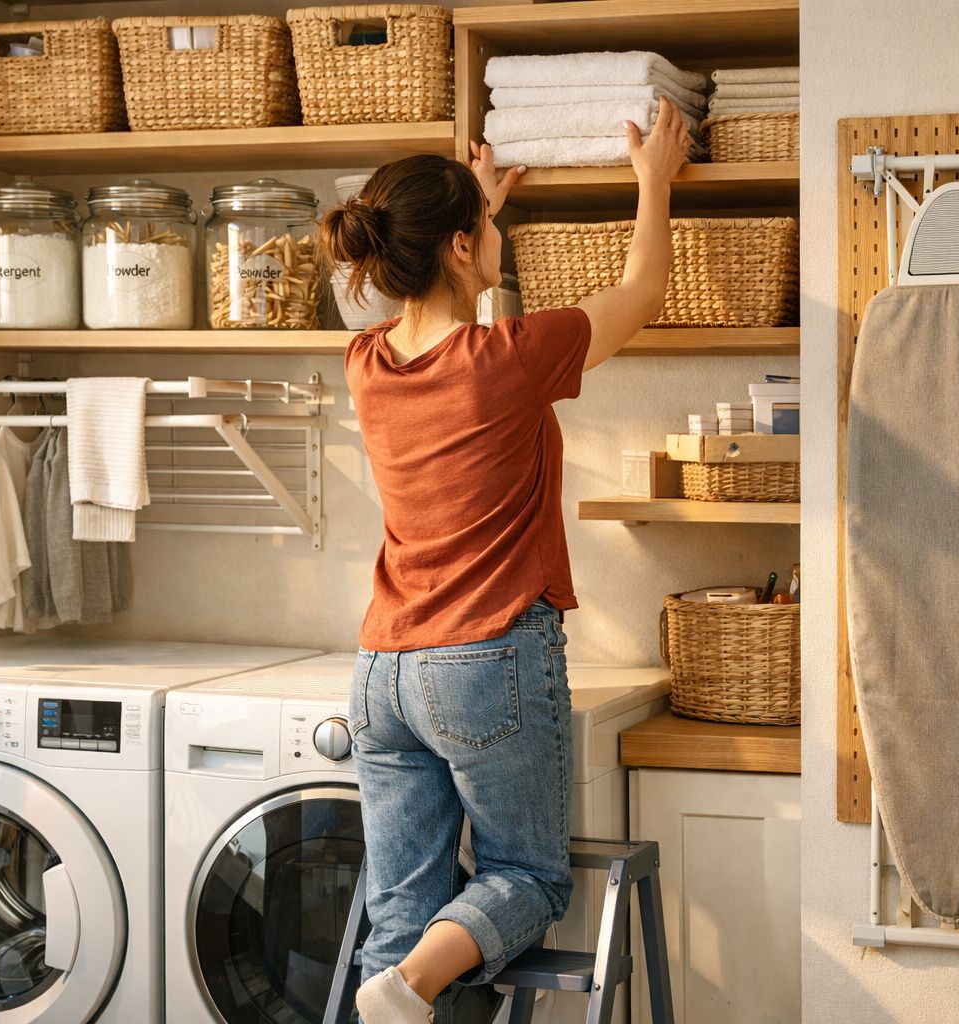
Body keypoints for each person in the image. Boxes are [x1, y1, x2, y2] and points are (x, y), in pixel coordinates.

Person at [319, 99, 693, 1024]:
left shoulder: (365, 362)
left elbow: (439, 319)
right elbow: (641, 295)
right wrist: (654, 181)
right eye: (482, 232)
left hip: (383, 672)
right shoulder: (511, 357)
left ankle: (398, 982)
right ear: (457, 245)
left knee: (401, 911)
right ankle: (407, 989)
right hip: (486, 662)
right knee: (527, 877)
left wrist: (471, 214)